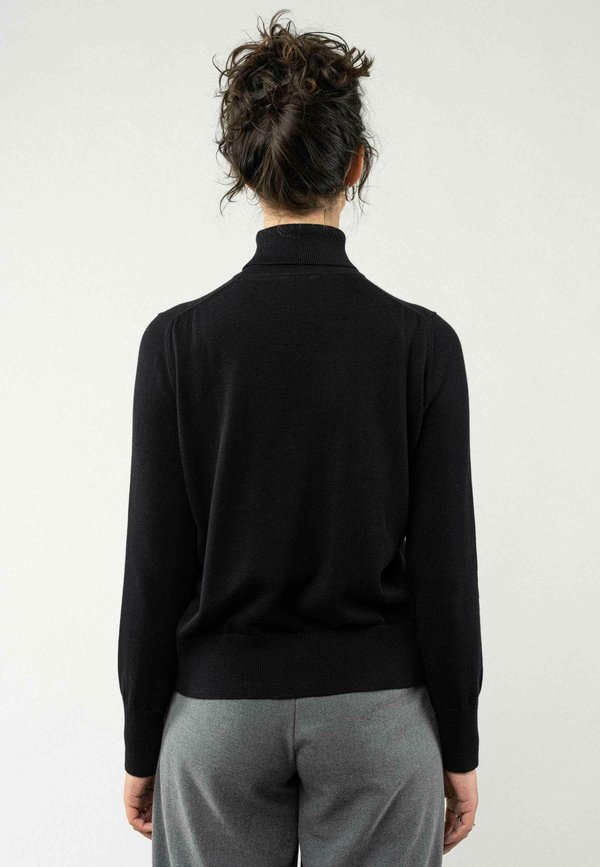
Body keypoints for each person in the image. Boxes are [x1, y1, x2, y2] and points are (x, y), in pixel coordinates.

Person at [117, 10, 483, 866]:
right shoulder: (422, 345)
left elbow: (155, 567)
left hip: (216, 722)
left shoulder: (177, 343)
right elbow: (445, 570)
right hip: (377, 720)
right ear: (356, 165)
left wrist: (141, 743)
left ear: (243, 168)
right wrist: (460, 744)